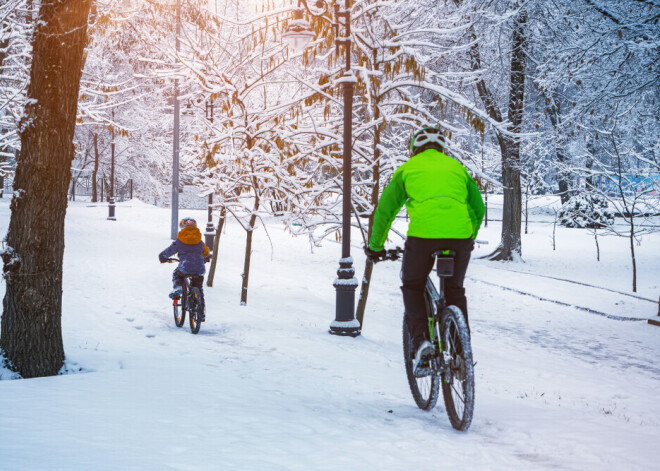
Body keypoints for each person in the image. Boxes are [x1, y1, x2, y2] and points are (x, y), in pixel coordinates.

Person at [365, 126, 485, 374]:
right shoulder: (457, 169)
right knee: (455, 291)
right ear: (441, 149)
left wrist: (376, 247)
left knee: (413, 285)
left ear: (414, 149)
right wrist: (468, 236)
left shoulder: (407, 169)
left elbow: (385, 211)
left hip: (423, 238)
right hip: (459, 237)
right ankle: (461, 353)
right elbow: (478, 208)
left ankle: (422, 343)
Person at [159, 217, 210, 320]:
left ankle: (178, 287)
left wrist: (163, 256)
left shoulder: (180, 240)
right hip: (199, 268)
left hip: (185, 267)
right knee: (199, 288)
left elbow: (170, 250)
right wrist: (205, 258)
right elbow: (206, 253)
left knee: (177, 274)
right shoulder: (199, 241)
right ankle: (200, 312)